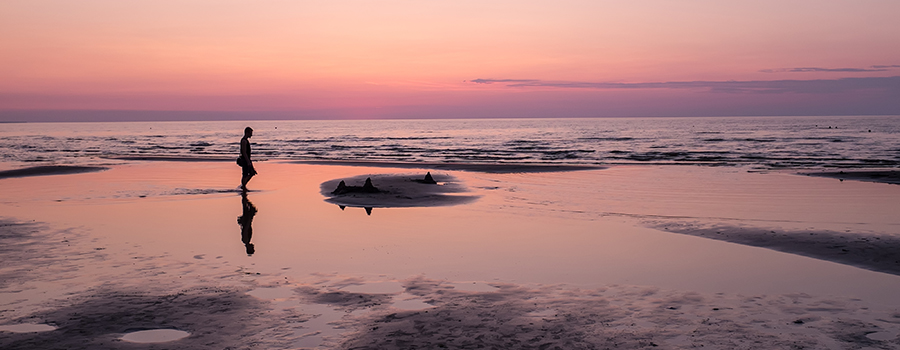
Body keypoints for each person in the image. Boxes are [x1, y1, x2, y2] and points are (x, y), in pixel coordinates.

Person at [239, 127, 257, 191]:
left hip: (247, 159)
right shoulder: (244, 141)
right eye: (251, 133)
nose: (251, 135)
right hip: (245, 160)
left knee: (252, 172)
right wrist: (248, 161)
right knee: (245, 174)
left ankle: (243, 185)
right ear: (247, 132)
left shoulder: (245, 140)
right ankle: (243, 186)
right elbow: (244, 152)